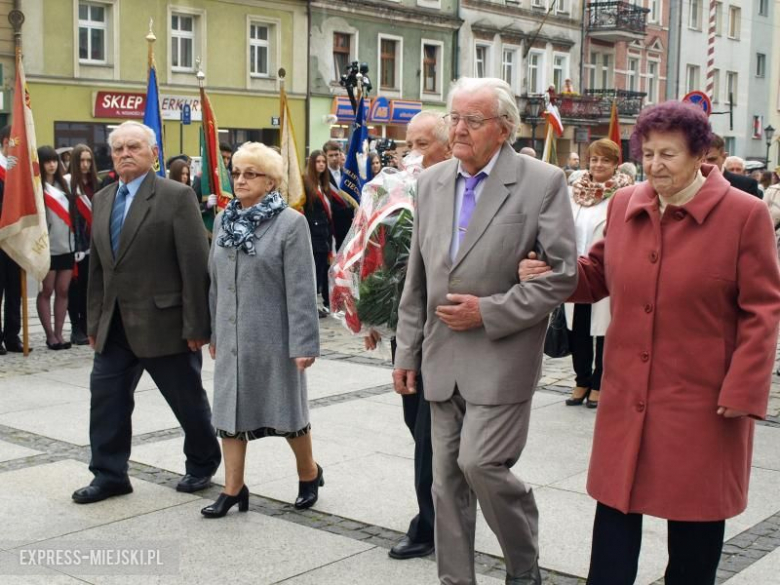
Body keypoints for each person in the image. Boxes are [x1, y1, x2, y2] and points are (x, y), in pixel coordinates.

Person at [519, 101, 780, 584]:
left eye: (670, 155)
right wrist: (552, 273)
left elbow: (762, 310)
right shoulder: (625, 204)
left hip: (703, 400)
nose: (655, 165)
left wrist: (743, 389)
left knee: (695, 525)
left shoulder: (744, 215)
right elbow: (596, 275)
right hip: (627, 394)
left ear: (702, 154)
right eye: (649, 153)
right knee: (616, 515)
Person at [393, 77, 577, 585]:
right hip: (440, 355)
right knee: (444, 479)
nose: (458, 129)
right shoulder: (431, 183)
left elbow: (563, 276)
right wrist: (405, 354)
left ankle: (523, 566)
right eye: (453, 118)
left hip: (502, 354)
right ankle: (456, 579)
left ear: (503, 129)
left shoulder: (542, 181)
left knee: (480, 465)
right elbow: (418, 278)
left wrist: (489, 311)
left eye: (472, 121)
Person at [72, 121, 221, 504]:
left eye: (133, 147)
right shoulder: (104, 198)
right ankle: (109, 474)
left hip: (166, 324)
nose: (124, 153)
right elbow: (100, 269)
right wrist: (94, 322)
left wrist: (197, 325)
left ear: (153, 153)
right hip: (114, 326)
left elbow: (193, 264)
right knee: (106, 400)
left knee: (186, 399)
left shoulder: (176, 196)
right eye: (118, 148)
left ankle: (203, 461)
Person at [203, 142, 321, 518]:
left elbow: (302, 287)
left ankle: (309, 473)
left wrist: (304, 343)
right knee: (228, 415)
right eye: (236, 172)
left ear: (271, 182)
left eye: (250, 174)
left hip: (274, 336)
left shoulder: (290, 223)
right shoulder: (224, 219)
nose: (240, 180)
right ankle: (233, 488)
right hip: (232, 334)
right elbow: (216, 281)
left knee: (287, 414)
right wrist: (216, 333)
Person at [364, 110, 452, 562]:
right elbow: (383, 263)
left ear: (448, 145)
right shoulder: (397, 194)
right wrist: (374, 319)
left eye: (421, 145)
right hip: (409, 332)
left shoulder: (458, 191)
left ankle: (430, 524)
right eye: (408, 145)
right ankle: (448, 509)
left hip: (454, 333)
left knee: (430, 437)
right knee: (415, 425)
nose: (411, 155)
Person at [565, 139, 632, 408]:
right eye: (594, 159)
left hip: (606, 270)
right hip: (575, 268)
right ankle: (581, 379)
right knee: (577, 328)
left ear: (615, 164)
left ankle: (599, 382)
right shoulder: (574, 192)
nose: (598, 165)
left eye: (605, 160)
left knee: (603, 330)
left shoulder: (623, 193)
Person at [38, 146, 83, 351]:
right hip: (46, 248)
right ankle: (49, 335)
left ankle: (59, 333)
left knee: (63, 290)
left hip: (67, 245)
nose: (52, 164)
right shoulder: (36, 187)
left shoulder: (64, 184)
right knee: (47, 290)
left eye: (54, 160)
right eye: (47, 161)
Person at [65, 144, 99, 346]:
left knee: (90, 288)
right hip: (76, 244)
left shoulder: (97, 184)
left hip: (94, 244)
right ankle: (75, 327)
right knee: (74, 289)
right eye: (81, 161)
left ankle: (87, 324)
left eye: (88, 160)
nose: (85, 165)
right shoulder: (68, 185)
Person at [0, 125, 25, 355]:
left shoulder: (18, 172)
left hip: (16, 239)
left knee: (14, 290)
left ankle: (12, 335)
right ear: (6, 142)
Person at [303, 149, 333, 318]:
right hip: (313, 234)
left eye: (323, 161)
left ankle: (316, 304)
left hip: (324, 235)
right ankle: (310, 306)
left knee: (321, 272)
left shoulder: (325, 185)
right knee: (312, 273)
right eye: (318, 162)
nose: (321, 164)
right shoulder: (307, 183)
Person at [323, 140, 353, 249]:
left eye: (337, 154)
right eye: (331, 155)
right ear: (325, 156)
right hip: (332, 226)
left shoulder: (346, 174)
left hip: (348, 226)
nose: (335, 158)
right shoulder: (322, 177)